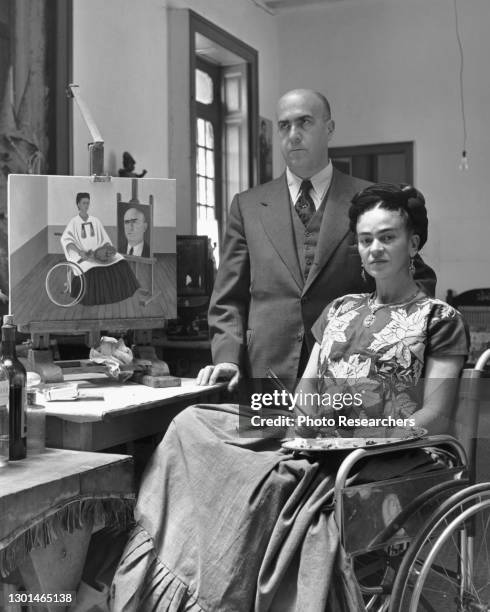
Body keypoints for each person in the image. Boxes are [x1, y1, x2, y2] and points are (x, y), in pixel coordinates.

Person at [110, 183, 468, 612]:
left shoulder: (438, 318)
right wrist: (307, 418)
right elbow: (308, 388)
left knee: (267, 480)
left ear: (413, 242)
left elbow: (437, 417)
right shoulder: (341, 310)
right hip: (315, 433)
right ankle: (173, 570)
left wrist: (367, 432)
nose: (375, 249)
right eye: (366, 239)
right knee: (193, 423)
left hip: (386, 452)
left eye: (387, 237)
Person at [198, 89, 436, 392]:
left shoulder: (370, 200)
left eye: (305, 123)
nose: (293, 135)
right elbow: (228, 298)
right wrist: (228, 357)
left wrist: (383, 339)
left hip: (352, 374)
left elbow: (418, 279)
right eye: (284, 126)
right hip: (265, 372)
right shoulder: (247, 206)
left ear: (329, 129)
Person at [60, 192, 139, 306]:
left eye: (88, 203)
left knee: (121, 261)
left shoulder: (95, 220)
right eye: (84, 203)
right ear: (78, 204)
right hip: (84, 255)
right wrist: (79, 252)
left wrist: (105, 249)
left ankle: (122, 292)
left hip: (98, 252)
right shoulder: (74, 222)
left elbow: (105, 239)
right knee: (92, 268)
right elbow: (66, 240)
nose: (86, 205)